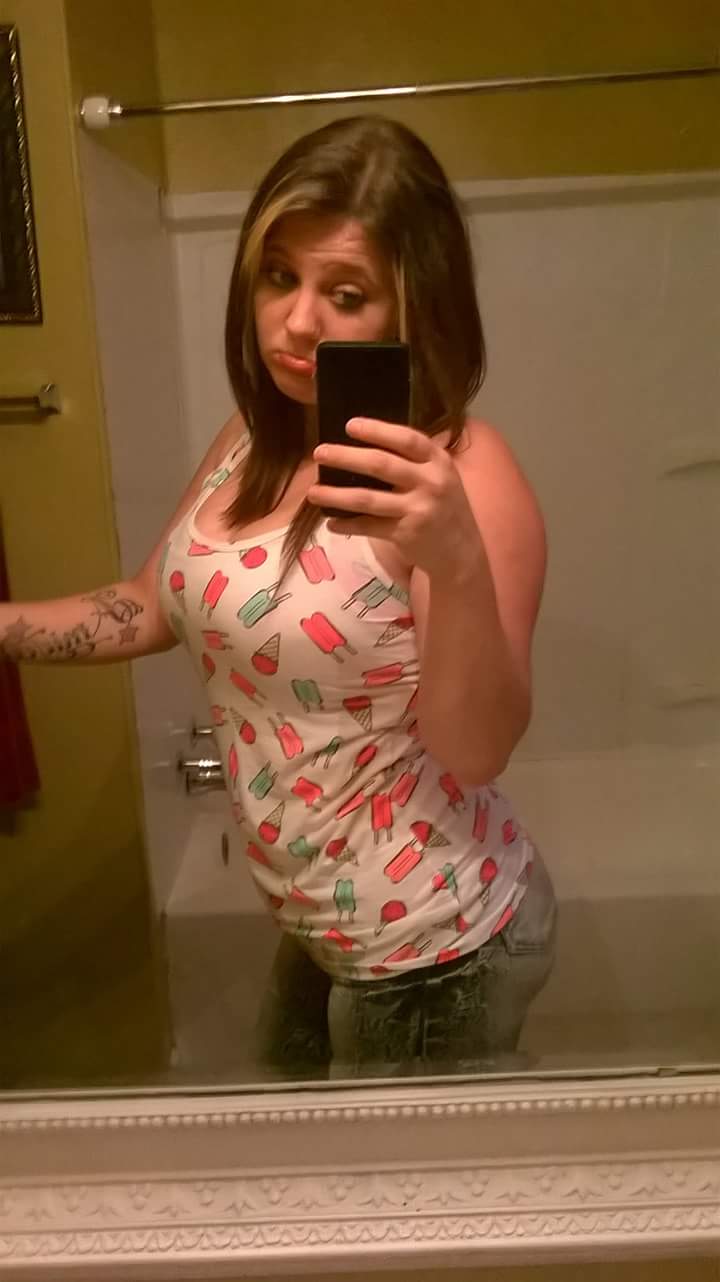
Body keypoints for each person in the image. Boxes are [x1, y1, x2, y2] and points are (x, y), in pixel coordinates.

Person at [0, 115, 556, 1079]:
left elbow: (476, 751)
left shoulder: (468, 472)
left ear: (413, 305)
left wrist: (457, 561)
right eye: (277, 277)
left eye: (345, 294)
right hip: (324, 924)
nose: (295, 323)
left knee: (372, 1179)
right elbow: (149, 604)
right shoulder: (254, 440)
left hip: (436, 941)